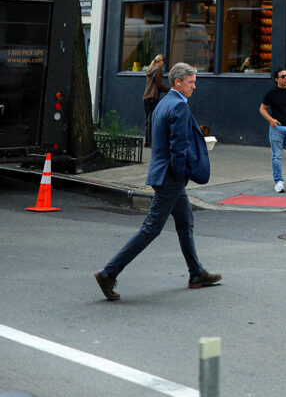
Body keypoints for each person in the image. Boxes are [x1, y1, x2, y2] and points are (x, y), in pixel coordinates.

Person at [93, 62, 222, 301]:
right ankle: (109, 272)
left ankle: (196, 273)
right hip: (170, 177)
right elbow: (178, 148)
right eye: (191, 82)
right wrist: (183, 175)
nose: (195, 86)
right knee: (151, 229)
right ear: (178, 82)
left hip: (162, 173)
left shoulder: (164, 104)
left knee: (185, 222)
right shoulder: (179, 108)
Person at [143, 53, 169, 148]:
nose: (164, 63)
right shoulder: (158, 70)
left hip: (146, 97)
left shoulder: (150, 69)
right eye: (163, 61)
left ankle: (147, 141)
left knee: (147, 119)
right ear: (159, 61)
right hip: (153, 97)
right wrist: (170, 89)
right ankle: (151, 142)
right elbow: (159, 85)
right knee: (151, 119)